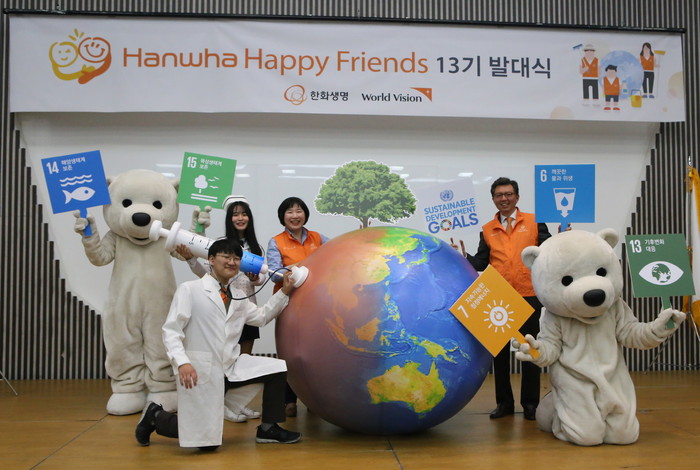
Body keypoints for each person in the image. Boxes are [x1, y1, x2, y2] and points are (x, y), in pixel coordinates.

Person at [135, 238, 301, 449]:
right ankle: (156, 416)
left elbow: (261, 317)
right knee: (207, 443)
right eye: (226, 257)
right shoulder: (190, 290)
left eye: (236, 258)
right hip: (200, 370)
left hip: (230, 367)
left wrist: (284, 291)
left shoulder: (239, 296)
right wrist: (182, 362)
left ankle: (269, 428)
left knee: (277, 368)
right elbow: (171, 331)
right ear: (211, 260)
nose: (232, 262)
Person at [451, 177, 551, 421]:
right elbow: (481, 263)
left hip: (529, 295)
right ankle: (504, 403)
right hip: (498, 298)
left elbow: (549, 252)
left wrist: (563, 239)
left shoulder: (535, 222)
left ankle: (531, 404)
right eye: (499, 195)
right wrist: (463, 257)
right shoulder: (487, 229)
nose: (504, 199)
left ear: (517, 197)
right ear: (493, 199)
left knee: (529, 350)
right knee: (500, 354)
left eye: (508, 194)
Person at [176, 195, 265, 423]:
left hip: (247, 309)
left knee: (244, 361)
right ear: (229, 218)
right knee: (224, 360)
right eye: (235, 214)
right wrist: (190, 260)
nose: (240, 218)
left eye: (244, 214)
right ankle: (222, 405)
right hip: (223, 308)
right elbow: (206, 274)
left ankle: (238, 404)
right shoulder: (219, 244)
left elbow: (258, 280)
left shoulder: (256, 247)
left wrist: (255, 278)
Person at [267, 196, 329, 417]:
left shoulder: (318, 238)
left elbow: (336, 253)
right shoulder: (276, 242)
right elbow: (274, 274)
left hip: (316, 304)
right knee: (291, 353)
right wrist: (301, 266)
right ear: (282, 217)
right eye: (290, 212)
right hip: (288, 303)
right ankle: (289, 400)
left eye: (299, 211)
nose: (295, 215)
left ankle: (314, 400)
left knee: (316, 352)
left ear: (305, 214)